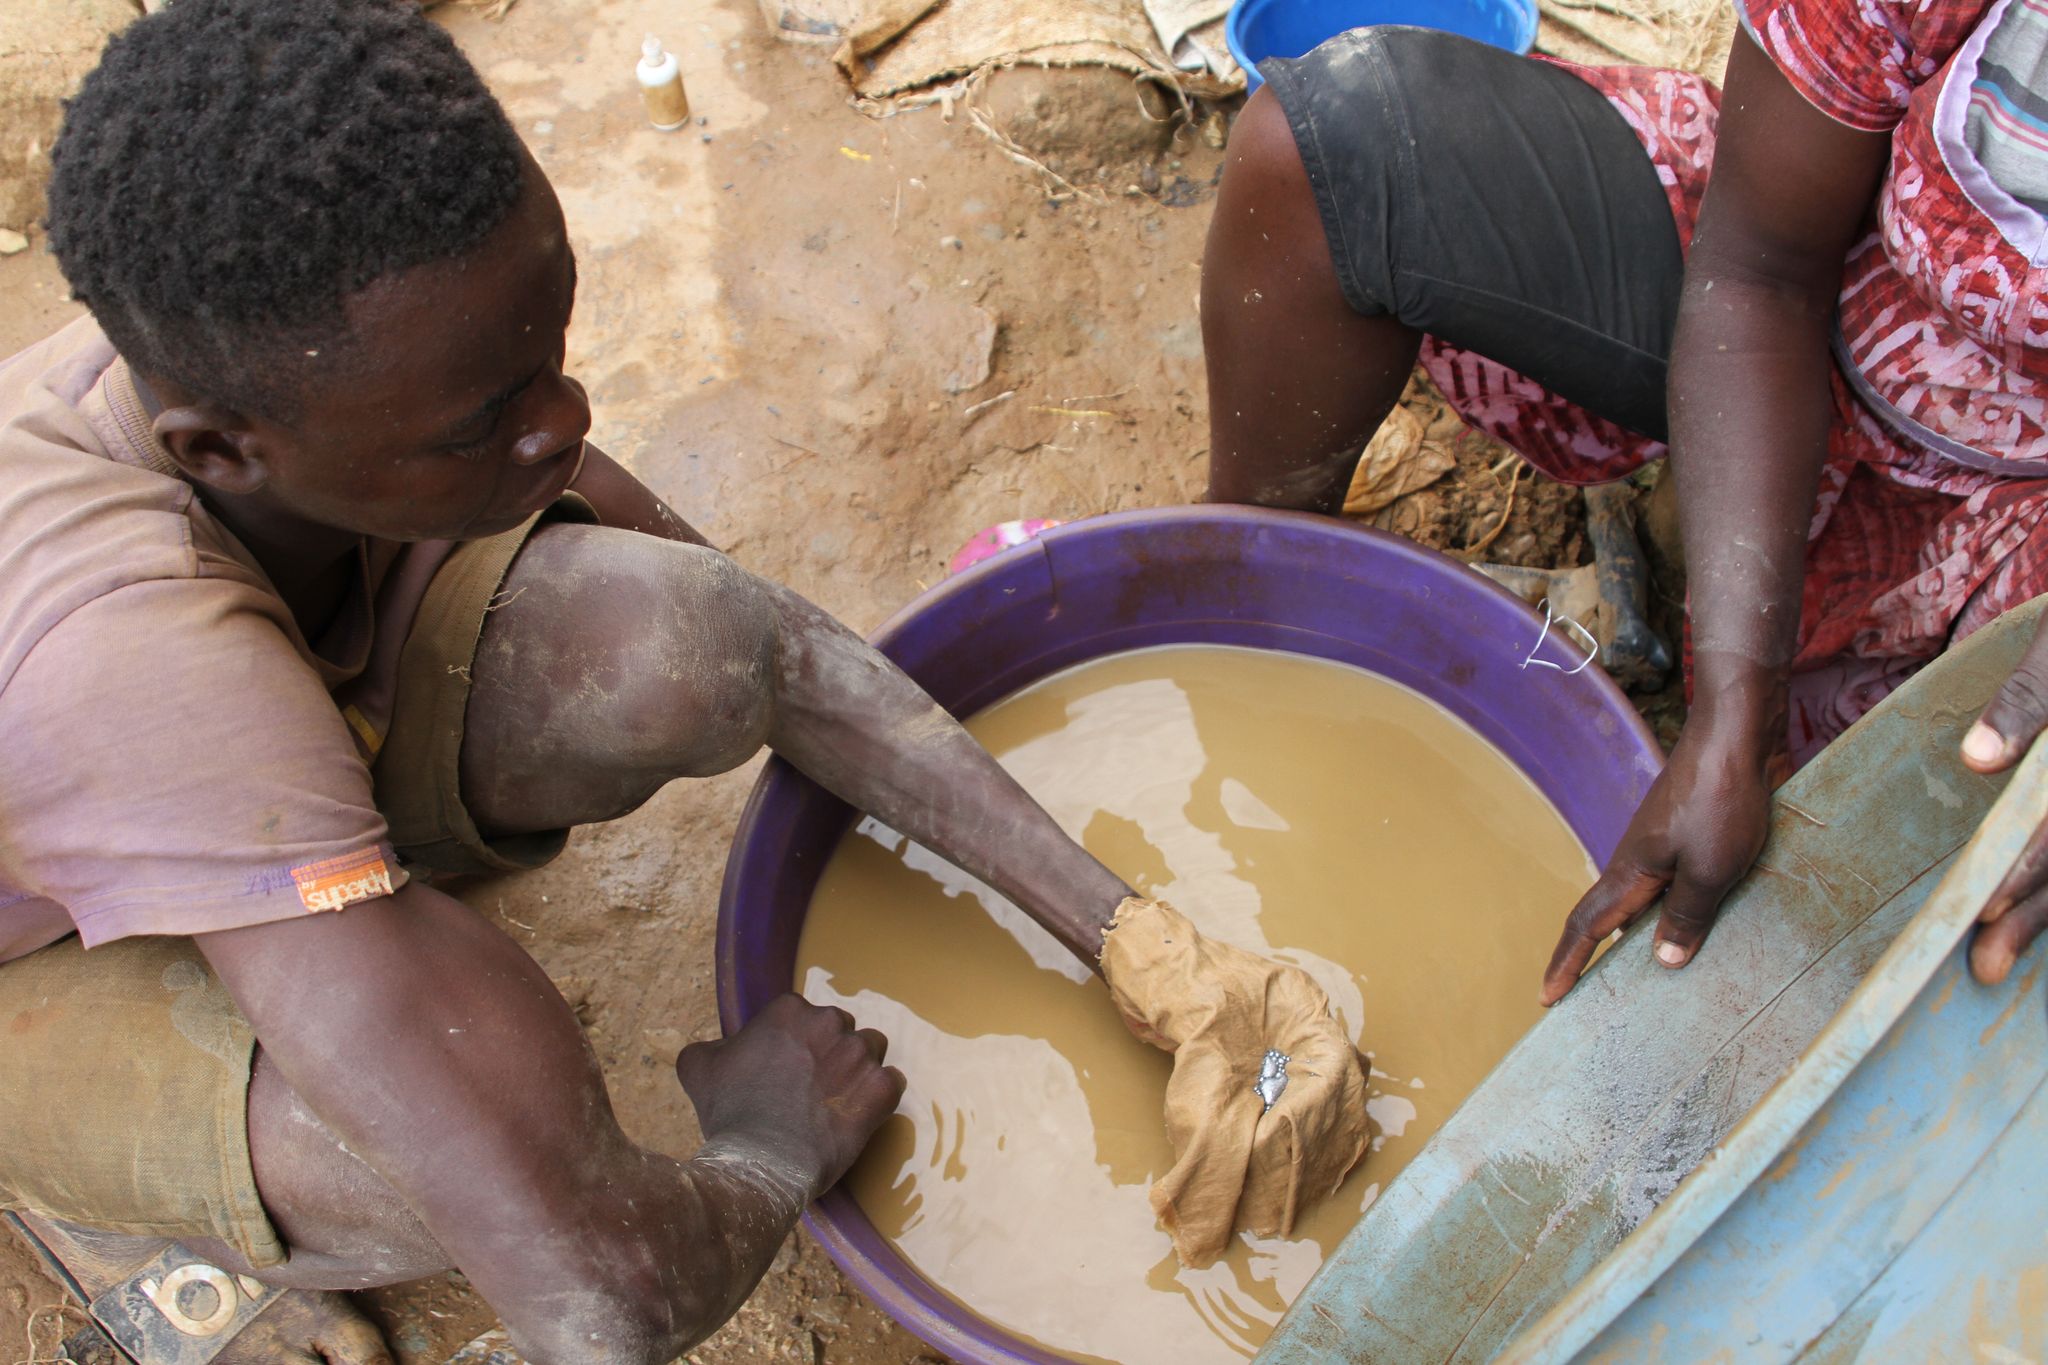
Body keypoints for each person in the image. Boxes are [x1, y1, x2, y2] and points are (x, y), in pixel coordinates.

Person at [0, 2, 1366, 1360]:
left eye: (551, 353)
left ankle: (324, 882)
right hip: (48, 947)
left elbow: (762, 650)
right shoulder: (130, 656)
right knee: (424, 1178)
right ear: (214, 452)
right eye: (487, 419)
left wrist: (1148, 947)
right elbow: (605, 1299)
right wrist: (766, 1148)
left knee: (680, 650)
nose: (568, 424)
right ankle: (110, 1175)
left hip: (249, 725)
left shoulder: (313, 381)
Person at [1200, 2, 2048, 1004]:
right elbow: (1759, 272)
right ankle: (1226, 618)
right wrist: (1739, 703)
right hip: (1817, 297)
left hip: (2021, 497)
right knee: (1329, 151)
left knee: (1943, 920)